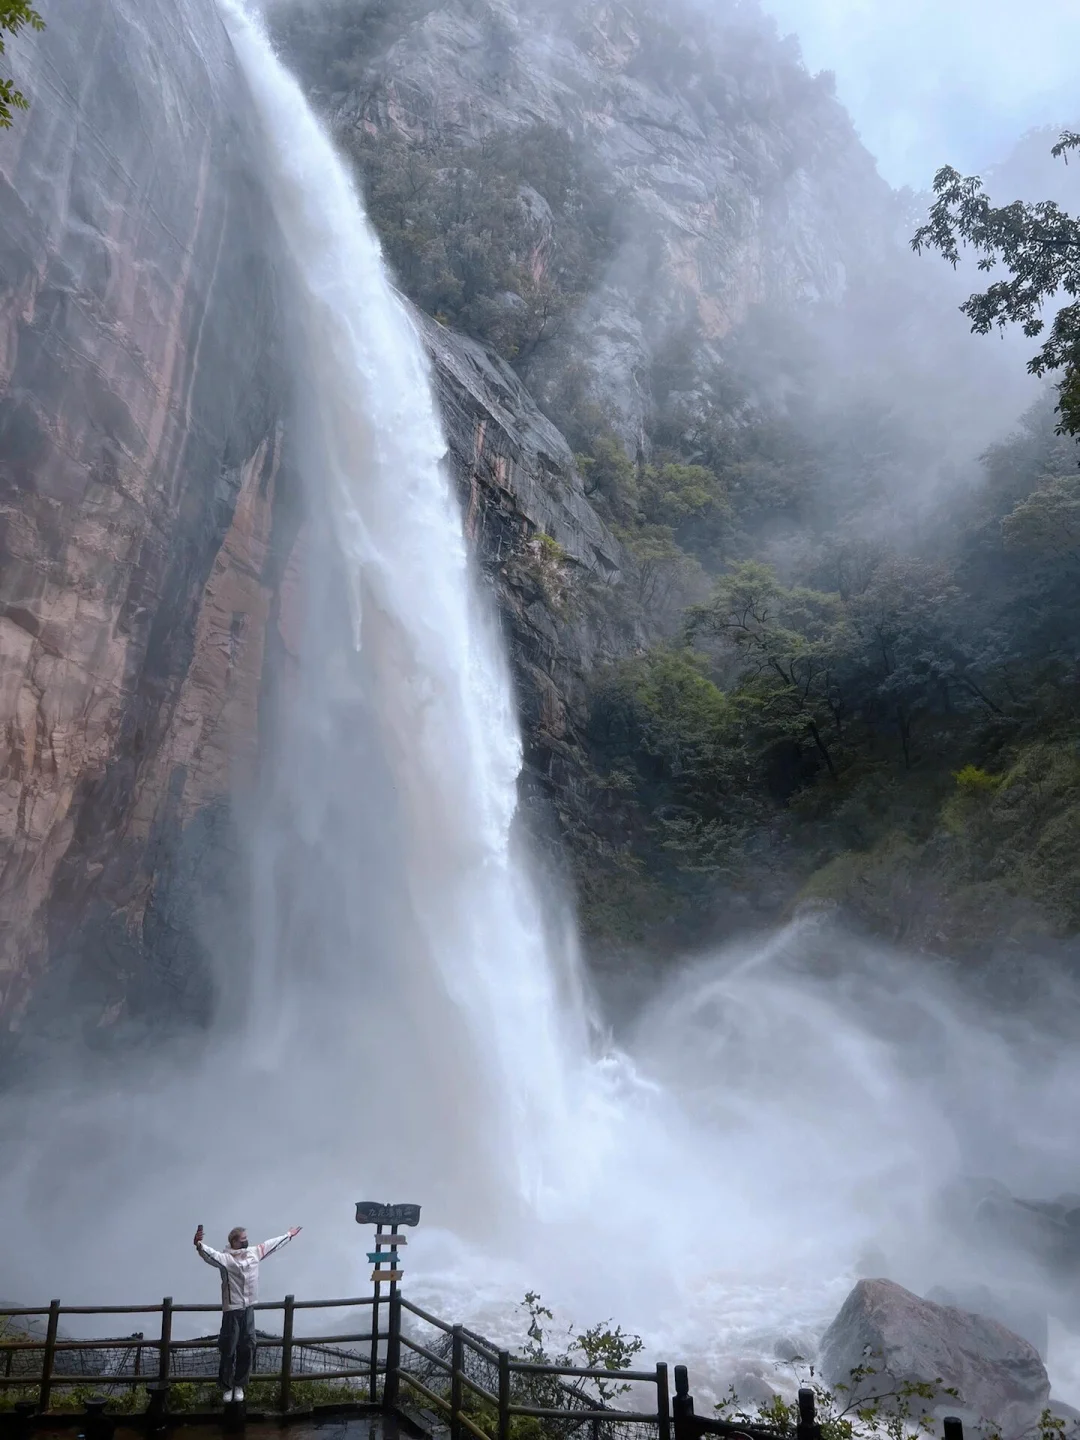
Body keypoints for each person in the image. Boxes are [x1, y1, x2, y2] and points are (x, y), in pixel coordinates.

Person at [194, 1222, 302, 1402]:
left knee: (248, 1345)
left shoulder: (254, 1253)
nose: (246, 1241)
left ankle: (239, 1385)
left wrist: (288, 1235)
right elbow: (209, 1255)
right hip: (232, 1310)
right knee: (228, 1348)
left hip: (249, 1308)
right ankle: (227, 1387)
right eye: (243, 1239)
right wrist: (199, 1245)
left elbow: (272, 1245)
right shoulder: (226, 1260)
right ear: (234, 1242)